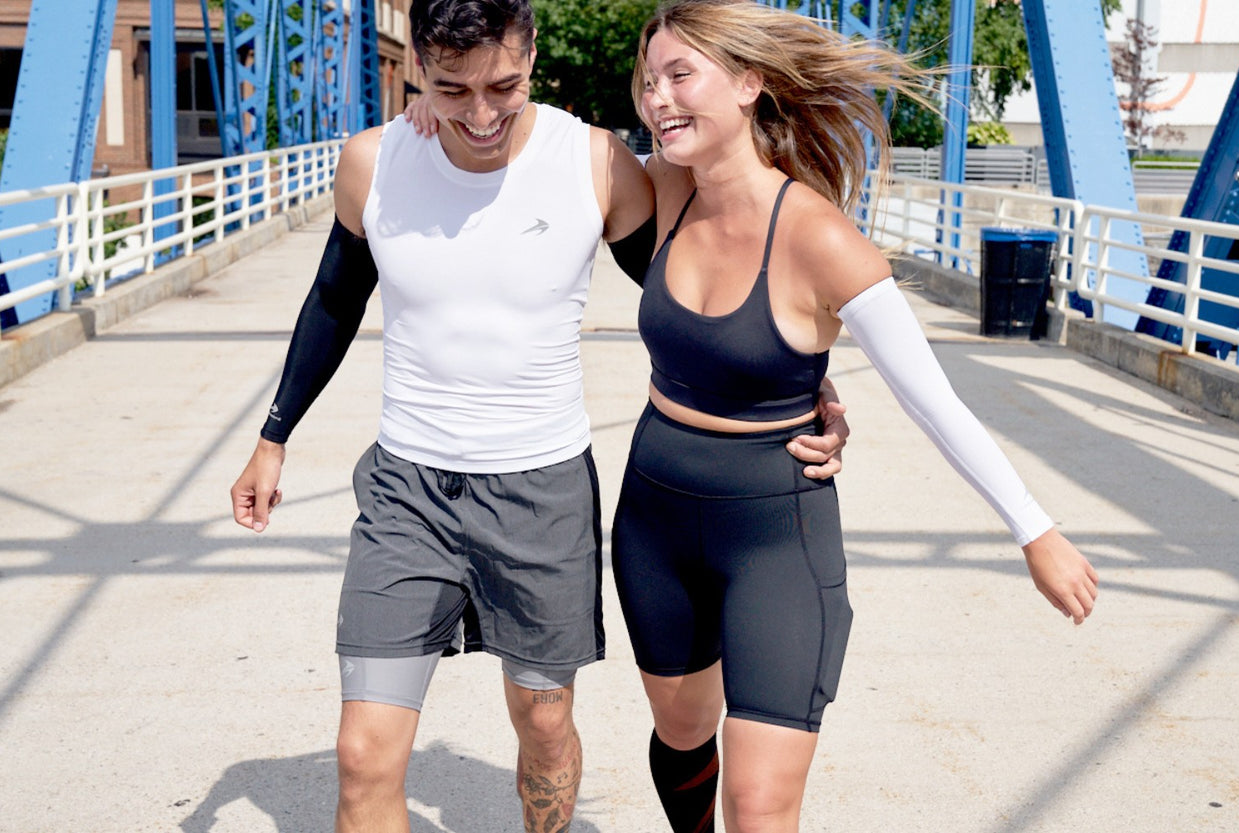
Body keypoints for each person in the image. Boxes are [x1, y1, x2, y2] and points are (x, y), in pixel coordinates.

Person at [227, 2, 848, 831]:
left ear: (531, 54)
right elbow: (334, 301)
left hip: (542, 491)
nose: (481, 114)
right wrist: (273, 435)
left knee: (545, 724)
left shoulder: (592, 162)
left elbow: (691, 290)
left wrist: (804, 386)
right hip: (407, 489)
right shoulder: (374, 163)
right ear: (416, 67)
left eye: (503, 86)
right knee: (362, 754)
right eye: (452, 89)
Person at [607, 2, 1103, 832]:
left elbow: (932, 397)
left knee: (760, 803)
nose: (656, 99)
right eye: (649, 80)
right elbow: (545, 155)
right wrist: (447, 105)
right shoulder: (661, 191)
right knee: (683, 732)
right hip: (653, 516)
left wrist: (1035, 529)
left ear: (749, 84)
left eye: (680, 76)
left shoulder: (820, 238)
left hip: (774, 533)